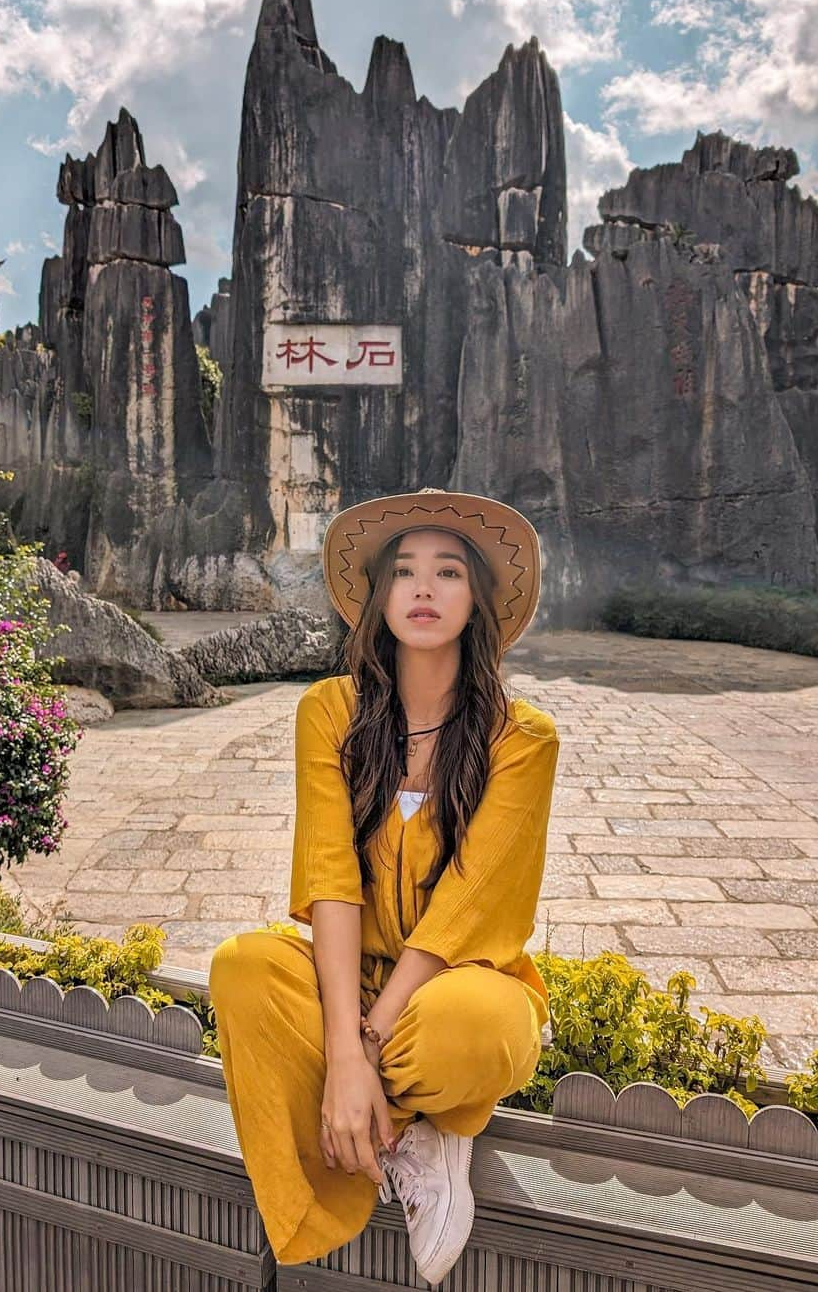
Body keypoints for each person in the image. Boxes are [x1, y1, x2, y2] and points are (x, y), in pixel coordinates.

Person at [208, 487, 560, 1285]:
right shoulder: (329, 712)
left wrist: (363, 1048)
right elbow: (332, 883)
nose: (425, 589)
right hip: (348, 981)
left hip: (452, 983)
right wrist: (343, 1048)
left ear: (478, 599)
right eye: (404, 572)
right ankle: (406, 1133)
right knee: (243, 967)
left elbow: (467, 909)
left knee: (474, 1031)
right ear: (379, 596)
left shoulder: (522, 737)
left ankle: (402, 1132)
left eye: (448, 572)